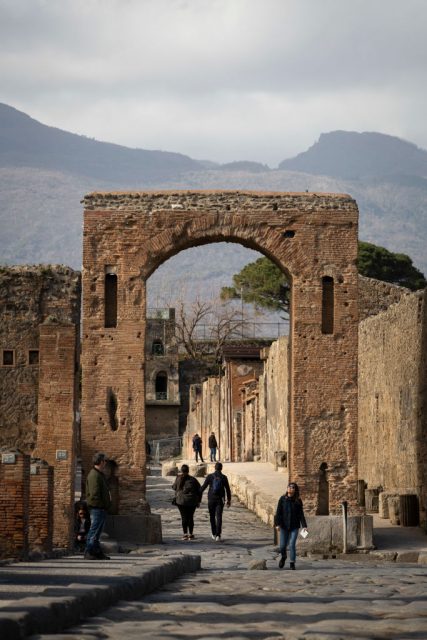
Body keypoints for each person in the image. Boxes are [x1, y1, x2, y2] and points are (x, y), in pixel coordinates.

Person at [84, 452, 112, 560]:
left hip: (101, 508)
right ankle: (89, 551)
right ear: (100, 462)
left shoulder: (99, 474)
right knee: (94, 531)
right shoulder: (94, 475)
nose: (105, 463)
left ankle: (96, 551)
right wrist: (102, 505)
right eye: (104, 461)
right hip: (97, 508)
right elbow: (94, 493)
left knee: (98, 532)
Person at [275, 481, 308, 570]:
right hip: (284, 526)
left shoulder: (298, 501)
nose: (290, 488)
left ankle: (292, 562)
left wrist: (304, 526)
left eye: (293, 487)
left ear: (295, 490)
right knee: (282, 546)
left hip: (294, 526)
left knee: (292, 544)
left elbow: (301, 514)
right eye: (289, 486)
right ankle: (284, 556)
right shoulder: (282, 499)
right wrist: (277, 524)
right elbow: (278, 513)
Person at [200, 462, 231, 541]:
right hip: (220, 499)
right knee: (219, 516)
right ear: (221, 468)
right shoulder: (224, 477)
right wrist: (229, 500)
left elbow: (203, 487)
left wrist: (196, 494)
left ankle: (213, 533)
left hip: (211, 499)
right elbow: (228, 489)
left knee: (212, 516)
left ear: (215, 468)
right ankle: (218, 535)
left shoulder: (210, 477)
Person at [172, 464, 201, 540]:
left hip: (181, 501)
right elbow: (199, 490)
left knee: (184, 517)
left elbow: (174, 487)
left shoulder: (178, 478)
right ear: (188, 471)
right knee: (190, 517)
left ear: (181, 471)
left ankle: (185, 534)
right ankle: (191, 534)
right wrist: (199, 500)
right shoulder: (193, 479)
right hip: (192, 501)